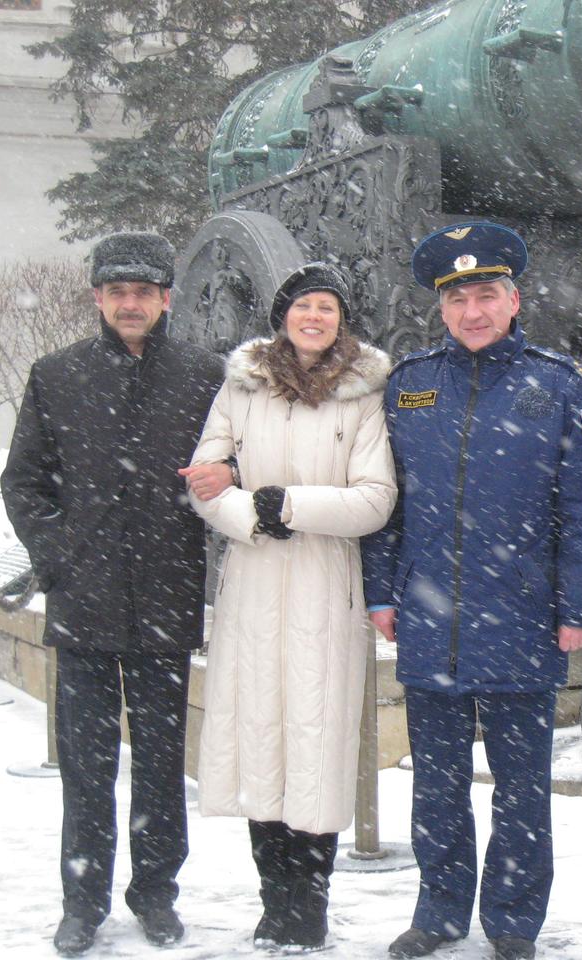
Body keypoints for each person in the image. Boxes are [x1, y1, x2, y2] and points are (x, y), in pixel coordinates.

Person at [360, 221, 582, 960]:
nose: (474, 310)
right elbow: (387, 502)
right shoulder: (408, 385)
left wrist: (580, 608)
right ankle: (438, 912)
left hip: (525, 619)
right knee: (435, 783)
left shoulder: (561, 383)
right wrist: (382, 591)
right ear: (442, 307)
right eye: (460, 297)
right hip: (428, 615)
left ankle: (511, 921)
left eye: (488, 294)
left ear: (514, 299)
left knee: (520, 788)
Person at [1, 232, 225, 957]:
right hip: (85, 603)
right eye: (117, 291)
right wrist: (59, 556)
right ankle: (83, 899)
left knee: (162, 764)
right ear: (98, 298)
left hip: (166, 599)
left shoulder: (202, 375)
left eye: (144, 292)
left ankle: (156, 893)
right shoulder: (56, 374)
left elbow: (227, 470)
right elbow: (24, 482)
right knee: (87, 765)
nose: (130, 304)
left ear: (165, 300)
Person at [185, 262, 396, 952]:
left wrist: (287, 504)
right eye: (303, 305)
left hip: (323, 585)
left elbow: (374, 498)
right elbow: (204, 480)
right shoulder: (241, 389)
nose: (314, 317)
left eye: (328, 308)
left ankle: (308, 904)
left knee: (318, 744)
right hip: (254, 586)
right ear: (283, 316)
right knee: (262, 743)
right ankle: (272, 899)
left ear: (343, 321)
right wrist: (252, 515)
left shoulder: (363, 393)